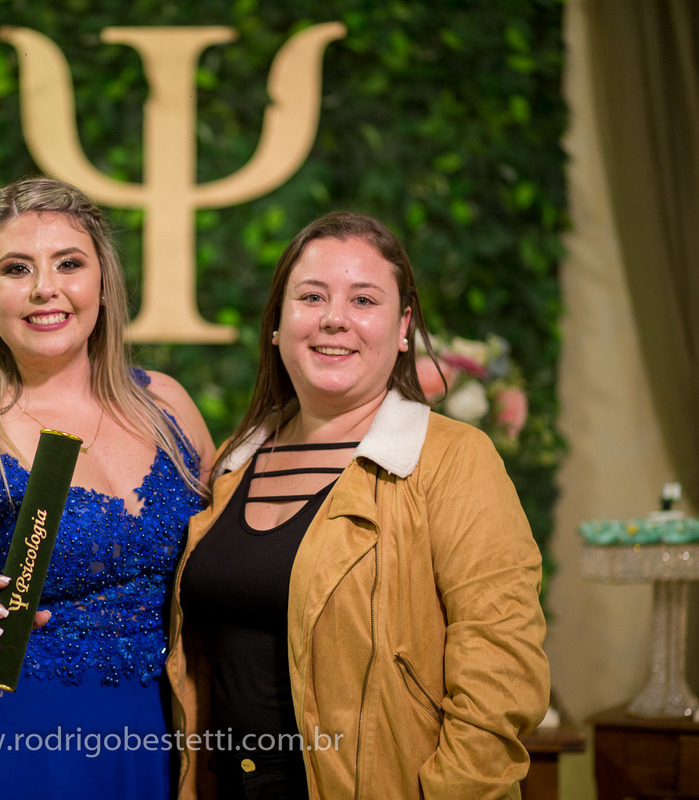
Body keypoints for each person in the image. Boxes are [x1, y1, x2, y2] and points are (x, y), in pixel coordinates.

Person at [167, 211, 549, 799]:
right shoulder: (232, 463)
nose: (334, 320)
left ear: (403, 327)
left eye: (363, 299)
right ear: (276, 324)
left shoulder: (453, 461)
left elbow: (502, 682)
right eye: (311, 297)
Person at [0, 177, 214, 799]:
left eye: (68, 264)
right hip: (2, 751)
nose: (43, 288)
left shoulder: (167, 405)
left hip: (153, 741)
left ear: (103, 285)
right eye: (15, 268)